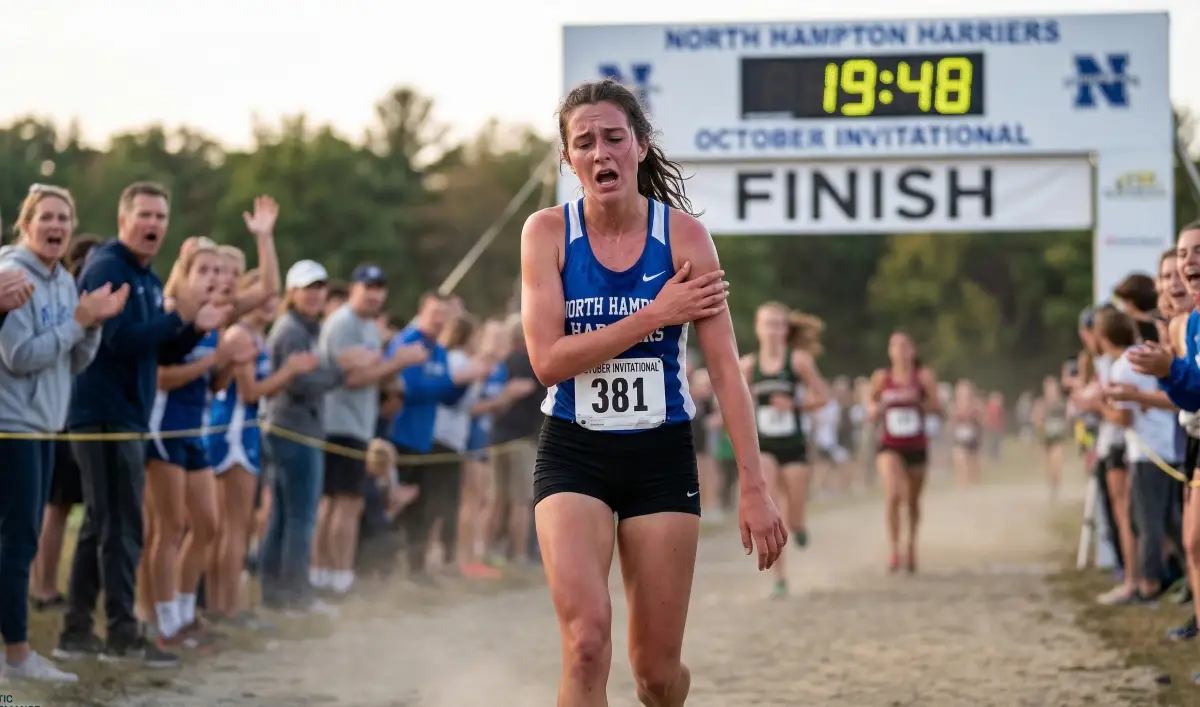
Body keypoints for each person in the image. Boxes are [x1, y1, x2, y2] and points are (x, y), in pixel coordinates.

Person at [521, 78, 784, 706]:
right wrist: (654, 314)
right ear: (568, 160)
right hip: (574, 450)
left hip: (661, 453)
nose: (600, 152)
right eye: (584, 143)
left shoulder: (685, 239)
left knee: (656, 676)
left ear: (640, 147)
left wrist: (754, 487)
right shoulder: (547, 234)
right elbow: (548, 362)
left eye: (614, 137)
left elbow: (726, 372)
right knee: (586, 642)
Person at [56, 182, 226, 665]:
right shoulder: (110, 266)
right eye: (145, 215)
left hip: (125, 413)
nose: (154, 225)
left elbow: (155, 349)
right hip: (104, 413)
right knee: (120, 526)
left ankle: (76, 631)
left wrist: (192, 326)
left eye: (161, 217)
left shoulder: (147, 277)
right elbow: (116, 340)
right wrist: (181, 318)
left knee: (101, 525)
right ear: (124, 218)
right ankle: (122, 633)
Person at [0, 185, 126, 683]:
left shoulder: (63, 281)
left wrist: (93, 325)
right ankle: (16, 655)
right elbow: (20, 357)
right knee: (18, 542)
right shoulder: (12, 275)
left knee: (21, 540)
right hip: (11, 427)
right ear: (26, 223)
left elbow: (74, 361)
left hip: (46, 425)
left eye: (64, 219)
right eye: (47, 217)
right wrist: (78, 322)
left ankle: (14, 653)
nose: (56, 226)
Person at [259, 259, 376, 615]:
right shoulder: (293, 330)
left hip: (296, 429)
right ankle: (295, 593)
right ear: (291, 293)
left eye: (319, 288)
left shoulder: (305, 327)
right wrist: (342, 369)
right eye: (307, 288)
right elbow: (299, 383)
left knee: (285, 516)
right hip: (294, 430)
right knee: (299, 517)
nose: (314, 295)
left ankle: (277, 592)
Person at [312, 264, 426, 597]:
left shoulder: (367, 327)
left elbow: (371, 372)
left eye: (379, 287)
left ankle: (330, 576)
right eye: (368, 287)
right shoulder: (344, 323)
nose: (374, 294)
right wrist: (397, 362)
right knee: (341, 504)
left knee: (343, 504)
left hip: (356, 424)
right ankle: (334, 577)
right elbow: (351, 377)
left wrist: (388, 371)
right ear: (353, 289)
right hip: (338, 424)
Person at [385, 292, 488, 584]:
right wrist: (454, 380)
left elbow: (445, 396)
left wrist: (469, 378)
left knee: (424, 507)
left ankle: (417, 570)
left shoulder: (439, 351)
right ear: (422, 312)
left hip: (424, 440)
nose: (439, 320)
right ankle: (382, 565)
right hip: (401, 435)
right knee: (396, 504)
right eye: (434, 313)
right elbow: (411, 389)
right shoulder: (408, 342)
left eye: (444, 315)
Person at [743, 302, 829, 598]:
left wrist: (794, 405)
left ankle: (800, 526)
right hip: (764, 446)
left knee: (793, 517)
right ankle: (780, 578)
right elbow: (734, 404)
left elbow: (823, 397)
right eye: (767, 323)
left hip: (793, 447)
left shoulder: (798, 361)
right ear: (758, 328)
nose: (773, 330)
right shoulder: (748, 366)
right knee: (772, 510)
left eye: (778, 324)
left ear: (786, 329)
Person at [867, 331, 941, 574]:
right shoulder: (882, 377)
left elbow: (937, 407)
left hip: (916, 446)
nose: (899, 350)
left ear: (912, 351)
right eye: (894, 345)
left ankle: (911, 545)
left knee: (912, 501)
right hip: (889, 445)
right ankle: (895, 550)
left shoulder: (923, 377)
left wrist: (920, 403)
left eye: (904, 345)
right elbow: (869, 401)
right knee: (893, 495)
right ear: (889, 351)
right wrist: (873, 409)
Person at [1031, 376, 1069, 503]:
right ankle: (1052, 487)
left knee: (1056, 464)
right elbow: (1035, 419)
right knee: (1048, 467)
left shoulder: (1062, 403)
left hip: (1058, 438)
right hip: (1045, 439)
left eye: (1053, 388)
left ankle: (1056, 488)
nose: (1051, 391)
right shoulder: (1041, 403)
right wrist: (1039, 421)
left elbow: (1069, 418)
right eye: (1049, 389)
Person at [949, 380, 984, 488]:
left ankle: (975, 483)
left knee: (973, 463)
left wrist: (974, 416)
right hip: (959, 437)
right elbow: (951, 422)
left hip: (973, 436)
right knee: (960, 459)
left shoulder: (976, 405)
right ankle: (962, 485)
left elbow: (982, 421)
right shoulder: (954, 406)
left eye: (966, 391)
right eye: (961, 391)